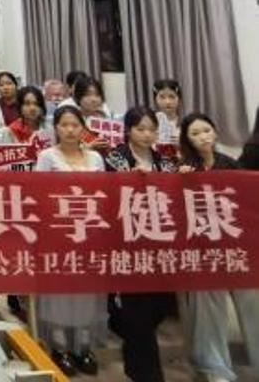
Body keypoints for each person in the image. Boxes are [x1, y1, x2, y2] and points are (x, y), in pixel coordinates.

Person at [178, 112, 259, 382]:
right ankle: (215, 369)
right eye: (195, 133)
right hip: (203, 249)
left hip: (236, 247)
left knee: (253, 304)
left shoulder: (232, 165)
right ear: (187, 140)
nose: (203, 137)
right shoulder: (184, 169)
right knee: (209, 310)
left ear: (215, 132)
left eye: (206, 130)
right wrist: (180, 182)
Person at [103, 106, 175, 382]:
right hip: (127, 243)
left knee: (157, 307)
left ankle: (136, 363)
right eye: (140, 129)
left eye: (152, 129)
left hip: (158, 246)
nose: (147, 135)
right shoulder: (114, 159)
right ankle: (147, 374)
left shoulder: (164, 162)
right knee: (137, 311)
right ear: (128, 130)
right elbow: (106, 195)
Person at [34, 105, 104, 377]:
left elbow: (104, 192)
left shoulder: (95, 158)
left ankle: (83, 346)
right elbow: (38, 194)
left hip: (89, 232)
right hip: (58, 232)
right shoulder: (47, 157)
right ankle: (60, 346)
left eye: (75, 125)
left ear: (83, 128)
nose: (70, 130)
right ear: (56, 128)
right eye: (64, 125)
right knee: (60, 291)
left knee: (86, 291)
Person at [152, 78, 182, 155]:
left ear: (179, 99)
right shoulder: (149, 121)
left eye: (172, 97)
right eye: (162, 97)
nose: (167, 102)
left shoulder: (186, 122)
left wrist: (183, 143)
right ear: (155, 99)